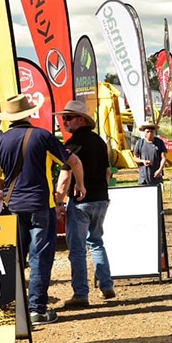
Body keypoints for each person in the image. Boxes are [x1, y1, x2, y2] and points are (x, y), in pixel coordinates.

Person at [0, 94, 86, 325]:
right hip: (41, 205)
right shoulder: (43, 136)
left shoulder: (0, 141)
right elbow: (74, 162)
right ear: (29, 113)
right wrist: (79, 185)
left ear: (9, 117)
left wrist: (9, 188)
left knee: (15, 258)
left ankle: (14, 311)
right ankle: (37, 309)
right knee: (40, 257)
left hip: (13, 207)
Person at [53, 100, 115, 308]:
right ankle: (106, 284)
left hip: (80, 201)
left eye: (68, 118)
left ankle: (81, 293)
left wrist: (59, 201)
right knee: (96, 241)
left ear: (81, 120)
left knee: (77, 249)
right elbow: (107, 172)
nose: (65, 121)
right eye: (63, 118)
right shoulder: (99, 141)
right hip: (101, 198)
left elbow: (64, 177)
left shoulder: (71, 145)